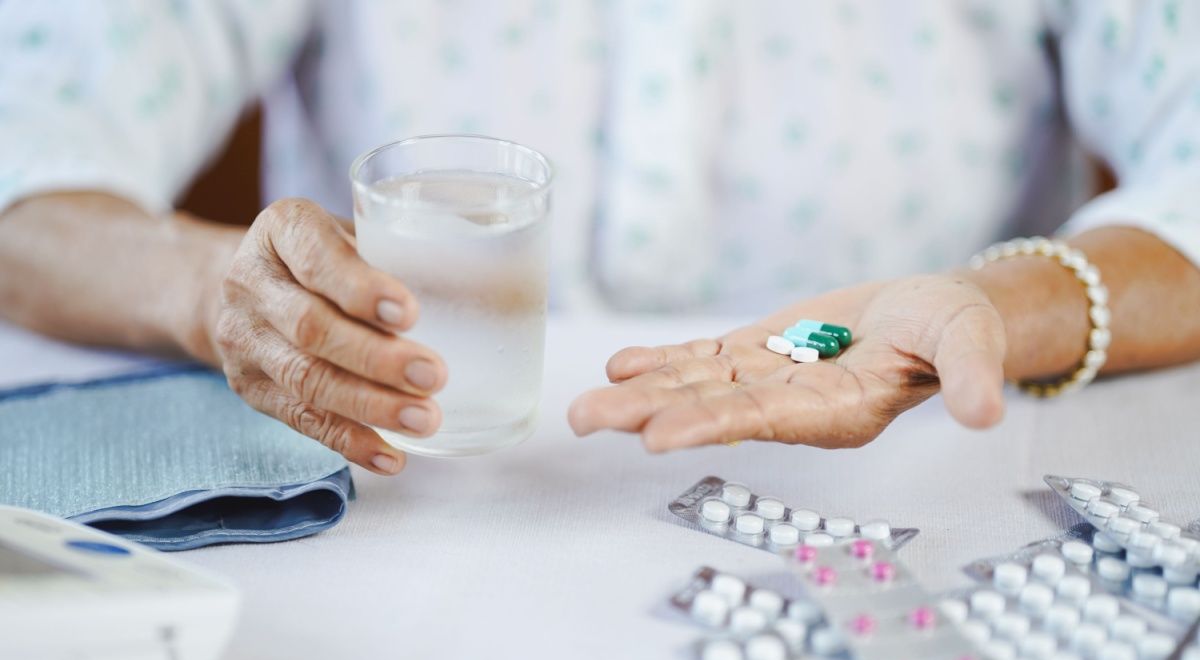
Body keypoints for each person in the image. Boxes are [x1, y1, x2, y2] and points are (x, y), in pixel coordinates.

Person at [1, 1, 1198, 475]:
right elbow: (25, 140)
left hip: (913, 474)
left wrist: (1005, 305)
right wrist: (217, 289)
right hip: (417, 487)